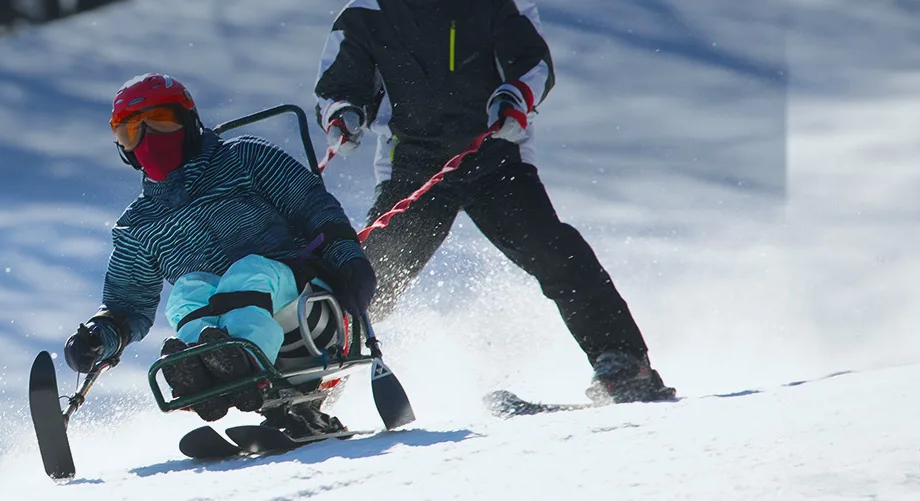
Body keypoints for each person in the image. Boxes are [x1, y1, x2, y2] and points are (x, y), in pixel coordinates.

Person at [312, 0, 674, 403]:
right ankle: (314, 391)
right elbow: (338, 86)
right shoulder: (367, 11)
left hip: (495, 155)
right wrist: (343, 114)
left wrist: (514, 97)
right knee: (369, 279)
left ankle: (623, 362)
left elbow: (533, 65)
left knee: (553, 252)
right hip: (414, 165)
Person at [61, 73, 376, 433]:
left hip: (309, 315)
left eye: (161, 122)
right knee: (187, 290)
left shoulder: (244, 158)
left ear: (189, 122)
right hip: (241, 325)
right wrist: (96, 338)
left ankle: (245, 367)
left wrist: (348, 259)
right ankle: (206, 374)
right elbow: (126, 306)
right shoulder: (139, 225)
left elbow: (315, 208)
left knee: (249, 271)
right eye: (131, 132)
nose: (148, 139)